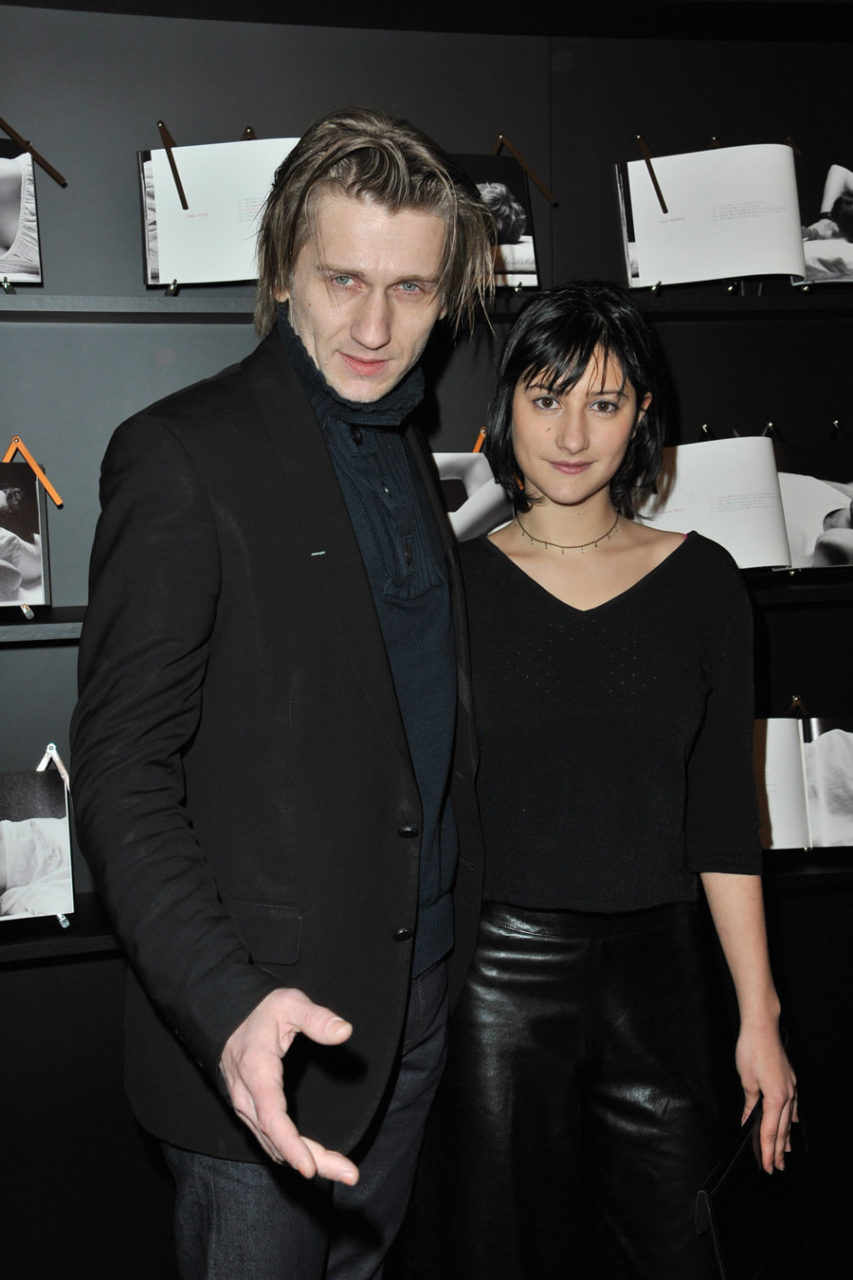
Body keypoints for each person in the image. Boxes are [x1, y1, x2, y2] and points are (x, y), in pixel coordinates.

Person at [70, 107, 493, 1280]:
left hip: (412, 1005)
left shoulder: (404, 443)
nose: (375, 327)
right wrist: (227, 1005)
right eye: (343, 279)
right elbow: (120, 774)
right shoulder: (180, 454)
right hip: (261, 1033)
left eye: (410, 289)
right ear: (280, 275)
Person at [406, 282, 797, 1278]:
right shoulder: (451, 587)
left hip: (665, 984)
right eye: (547, 399)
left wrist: (758, 1017)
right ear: (507, 407)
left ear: (642, 415)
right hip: (497, 985)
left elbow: (724, 817)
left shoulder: (705, 581)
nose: (573, 434)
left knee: (678, 1251)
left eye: (605, 402)